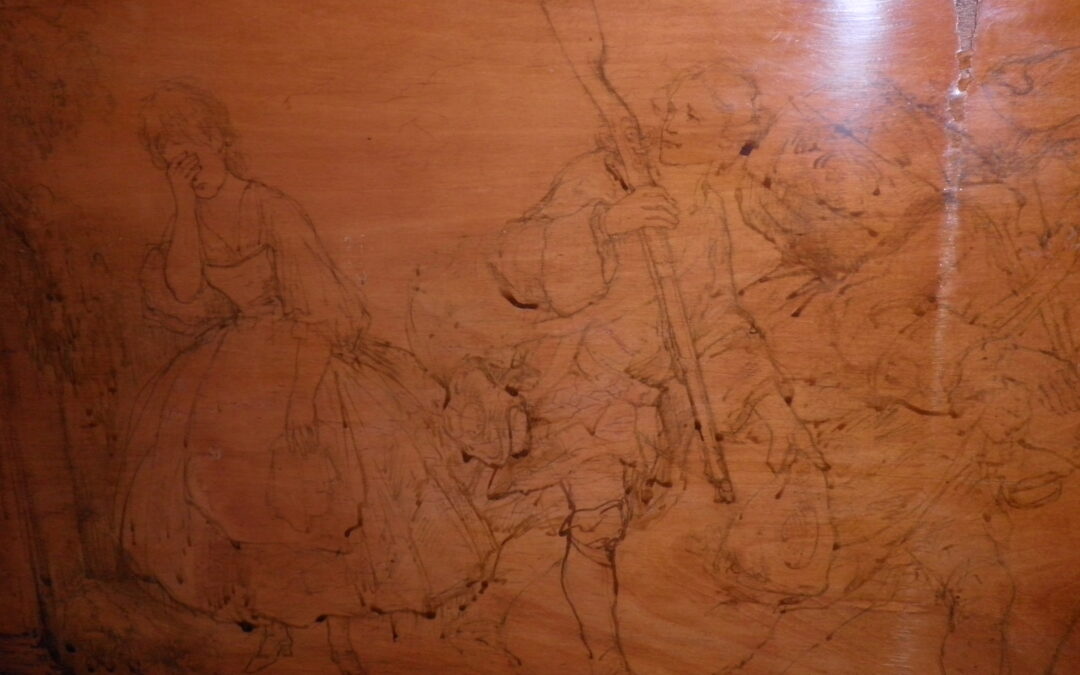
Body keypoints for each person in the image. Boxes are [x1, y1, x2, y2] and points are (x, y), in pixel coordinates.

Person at [117, 81, 494, 674]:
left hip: (304, 361)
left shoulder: (271, 207)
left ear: (218, 141)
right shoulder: (189, 216)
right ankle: (277, 634)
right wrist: (183, 206)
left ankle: (339, 640)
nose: (186, 165)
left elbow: (323, 312)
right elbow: (183, 291)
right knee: (238, 497)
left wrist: (297, 405)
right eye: (170, 156)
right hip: (235, 365)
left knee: (322, 494)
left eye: (192, 149)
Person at [473, 62, 821, 674]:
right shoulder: (606, 174)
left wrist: (761, 393)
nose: (669, 124)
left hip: (660, 385)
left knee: (624, 523)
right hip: (586, 379)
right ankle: (601, 655)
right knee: (596, 520)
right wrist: (607, 224)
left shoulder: (715, 201)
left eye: (690, 116)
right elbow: (515, 260)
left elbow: (717, 309)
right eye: (669, 109)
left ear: (727, 139)